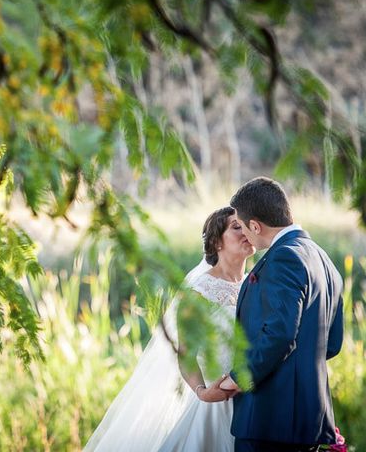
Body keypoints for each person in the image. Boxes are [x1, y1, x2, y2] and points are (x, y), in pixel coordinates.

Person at [84, 206, 255, 451]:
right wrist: (202, 391)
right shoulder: (198, 292)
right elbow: (185, 352)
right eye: (236, 227)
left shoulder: (254, 283)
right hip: (215, 405)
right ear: (217, 242)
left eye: (246, 225)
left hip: (252, 404)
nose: (246, 231)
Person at [219, 177, 344, 452]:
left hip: (270, 421)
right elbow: (332, 343)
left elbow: (280, 334)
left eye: (242, 226)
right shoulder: (324, 260)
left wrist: (239, 377)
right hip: (307, 420)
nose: (244, 235)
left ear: (255, 225)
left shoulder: (284, 258)